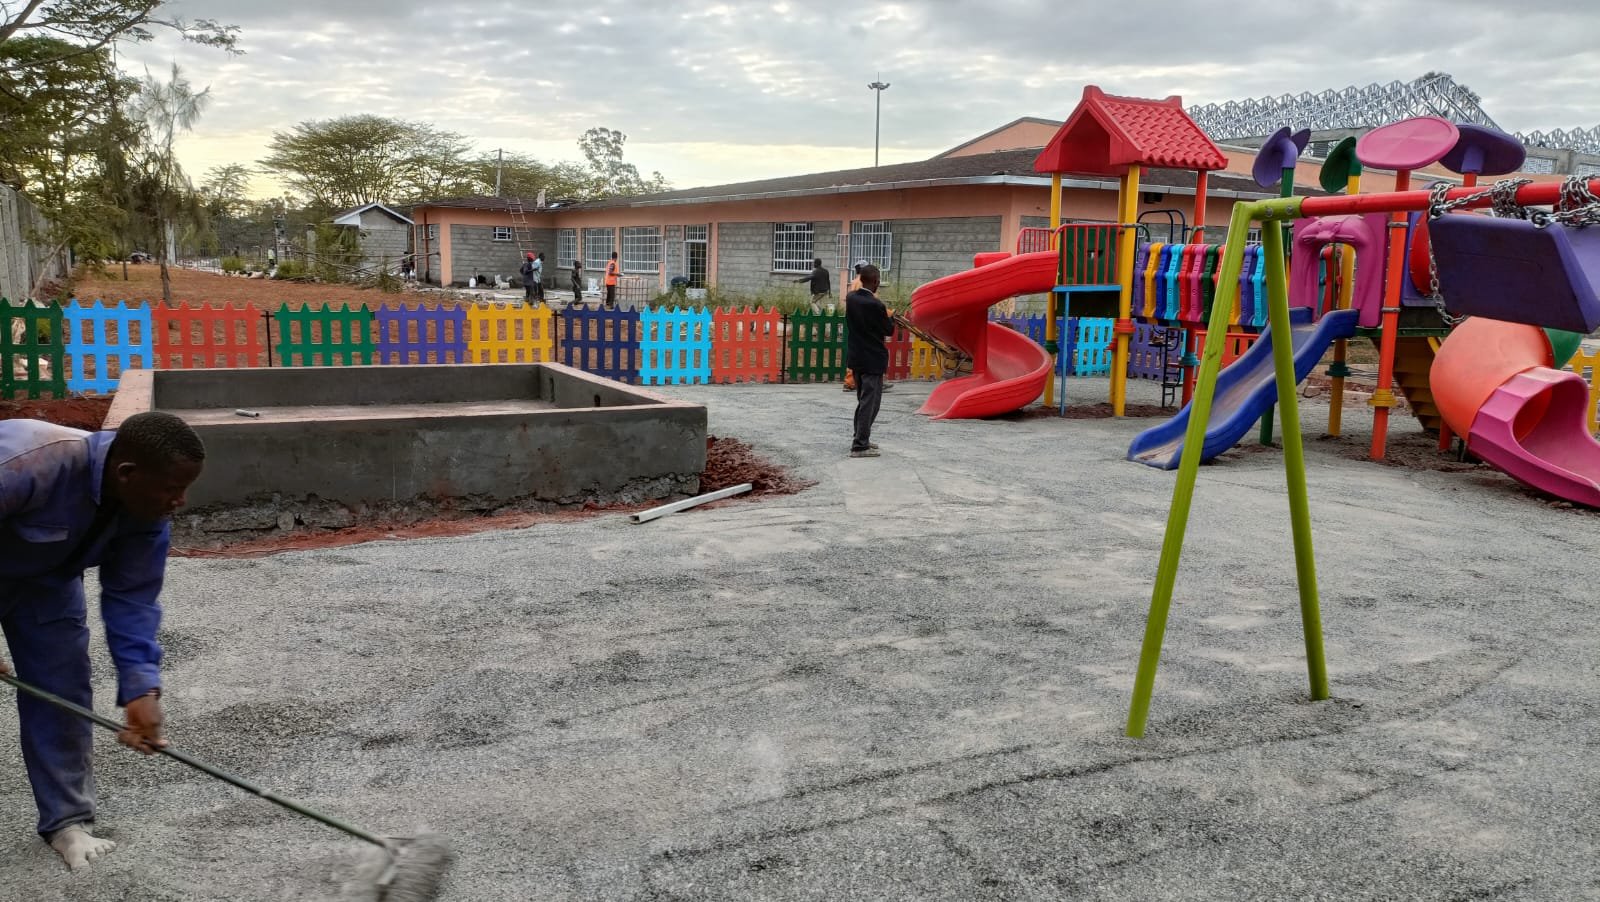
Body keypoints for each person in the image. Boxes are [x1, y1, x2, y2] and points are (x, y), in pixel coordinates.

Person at [0, 412, 206, 871]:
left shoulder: (146, 511)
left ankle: (66, 823)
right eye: (172, 488)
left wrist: (141, 688)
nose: (180, 500)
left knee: (62, 690)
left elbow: (131, 597)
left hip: (45, 585)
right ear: (126, 473)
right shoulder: (28, 461)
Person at [845, 264, 894, 458]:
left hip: (857, 357)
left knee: (863, 400)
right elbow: (888, 330)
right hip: (873, 359)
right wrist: (891, 319)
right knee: (870, 403)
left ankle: (861, 437)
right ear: (875, 281)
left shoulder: (851, 298)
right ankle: (859, 446)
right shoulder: (876, 305)